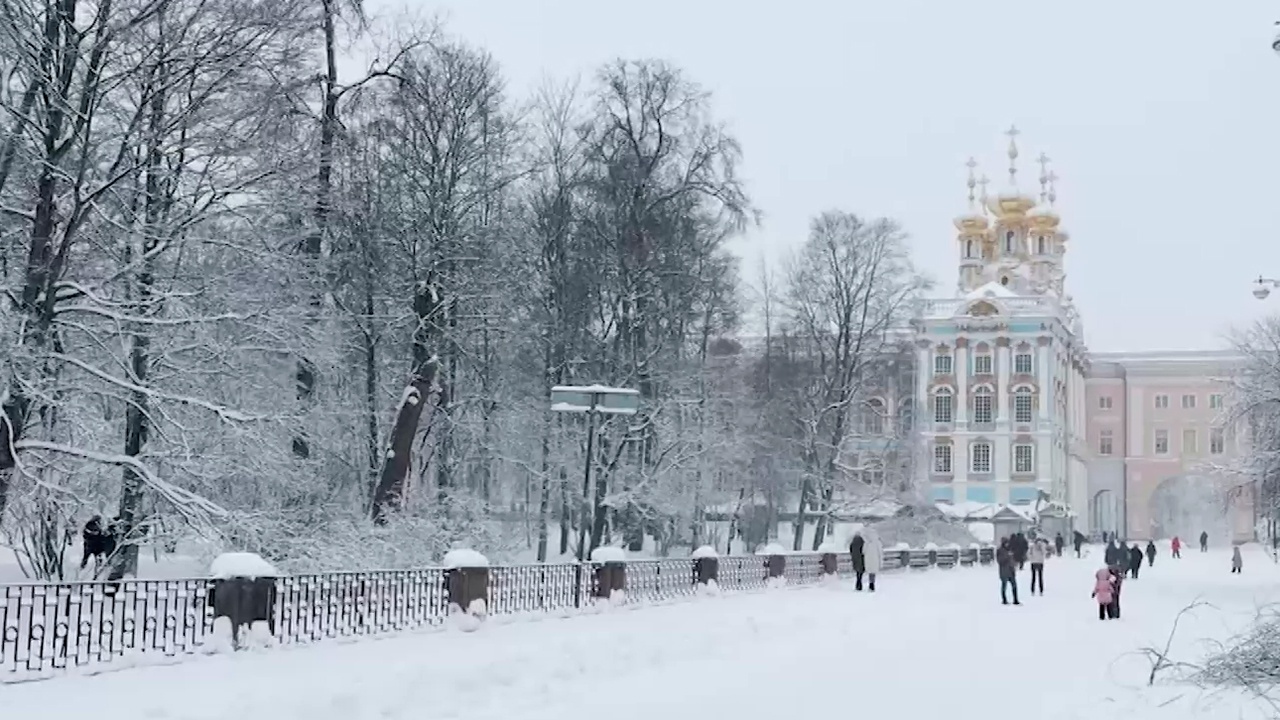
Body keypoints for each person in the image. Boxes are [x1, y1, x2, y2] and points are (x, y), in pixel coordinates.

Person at [849, 526, 883, 591]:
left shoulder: (866, 543)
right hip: (874, 560)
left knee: (860, 572)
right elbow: (880, 552)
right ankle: (871, 585)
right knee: (872, 573)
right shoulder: (877, 542)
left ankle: (859, 585)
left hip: (866, 559)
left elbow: (863, 551)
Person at [997, 538, 1020, 605]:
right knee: (1004, 586)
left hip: (1011, 570)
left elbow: (1012, 560)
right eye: (1006, 543)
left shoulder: (1009, 550)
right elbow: (1000, 561)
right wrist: (1007, 556)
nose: (1007, 544)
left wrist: (1014, 565)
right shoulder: (1000, 551)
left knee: (1014, 585)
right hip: (1004, 571)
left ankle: (1015, 600)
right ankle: (1004, 600)